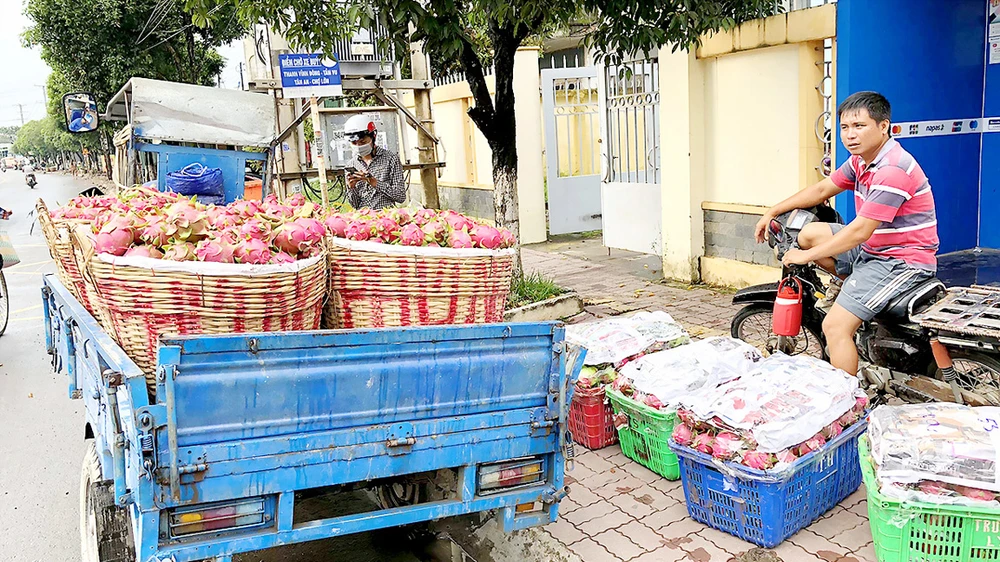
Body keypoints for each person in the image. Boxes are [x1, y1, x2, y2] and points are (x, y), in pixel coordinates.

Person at [753, 91, 939, 376]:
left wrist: (806, 257)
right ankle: (854, 292)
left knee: (834, 326)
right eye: (844, 127)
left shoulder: (892, 169)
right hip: (875, 250)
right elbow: (822, 190)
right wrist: (771, 211)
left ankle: (847, 403)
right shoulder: (861, 161)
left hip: (901, 262)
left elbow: (860, 231)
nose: (850, 135)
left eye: (859, 126)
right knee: (811, 233)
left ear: (883, 126)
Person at [342, 114, 406, 210]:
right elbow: (355, 205)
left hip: (386, 217)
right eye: (354, 143)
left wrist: (375, 182)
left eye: (363, 142)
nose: (358, 146)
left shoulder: (391, 159)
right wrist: (351, 188)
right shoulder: (351, 165)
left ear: (373, 136)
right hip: (363, 219)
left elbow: (400, 196)